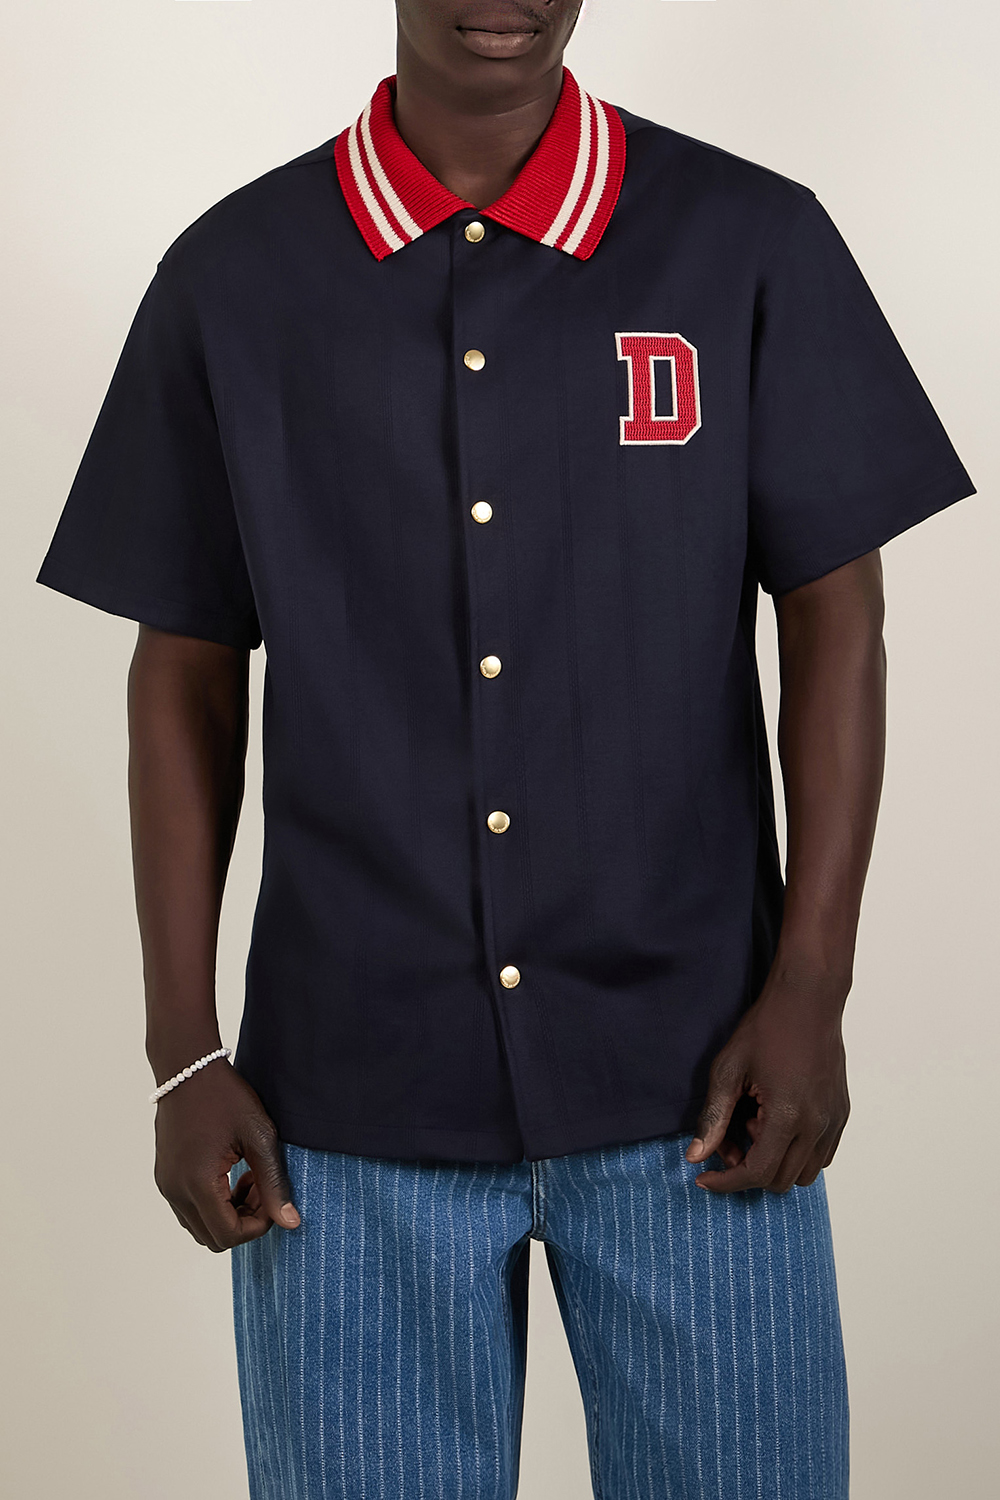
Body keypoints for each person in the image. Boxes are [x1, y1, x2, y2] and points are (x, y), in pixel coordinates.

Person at [36, 2, 975, 1496]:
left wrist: (811, 985)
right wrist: (181, 1053)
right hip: (345, 1111)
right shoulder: (234, 276)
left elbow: (837, 618)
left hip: (703, 1086)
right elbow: (184, 673)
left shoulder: (748, 242)